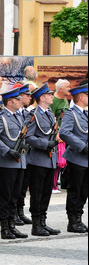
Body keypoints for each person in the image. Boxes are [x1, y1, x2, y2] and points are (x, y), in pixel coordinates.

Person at [0, 88, 29, 239]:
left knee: (15, 195)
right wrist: (6, 150)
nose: (21, 101)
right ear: (10, 102)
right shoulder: (1, 117)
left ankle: (12, 225)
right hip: (7, 162)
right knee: (6, 196)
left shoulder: (19, 117)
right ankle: (5, 228)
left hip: (20, 162)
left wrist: (24, 146)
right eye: (17, 99)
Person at [25, 83, 61, 237]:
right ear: (42, 97)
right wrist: (46, 143)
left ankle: (43, 222)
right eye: (49, 94)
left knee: (46, 192)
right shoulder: (34, 114)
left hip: (50, 159)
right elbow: (28, 137)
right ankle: (36, 224)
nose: (52, 96)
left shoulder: (48, 113)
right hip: (38, 159)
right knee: (37, 192)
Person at [59, 84, 88, 233]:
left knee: (84, 191)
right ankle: (72, 221)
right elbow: (64, 133)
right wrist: (82, 146)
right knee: (75, 191)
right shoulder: (71, 113)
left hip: (86, 160)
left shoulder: (85, 114)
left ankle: (79, 218)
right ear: (81, 97)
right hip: (77, 158)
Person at [14, 84, 34, 225]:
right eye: (26, 95)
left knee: (22, 185)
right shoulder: (15, 113)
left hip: (25, 155)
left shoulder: (26, 113)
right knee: (14, 186)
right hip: (15, 154)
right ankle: (13, 212)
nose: (29, 97)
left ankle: (19, 211)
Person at [50, 79, 71, 194]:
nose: (69, 88)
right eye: (67, 87)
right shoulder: (53, 101)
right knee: (57, 160)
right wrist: (57, 133)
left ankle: (61, 182)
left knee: (63, 161)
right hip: (58, 134)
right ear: (61, 89)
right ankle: (52, 184)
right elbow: (52, 119)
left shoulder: (65, 100)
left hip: (66, 133)